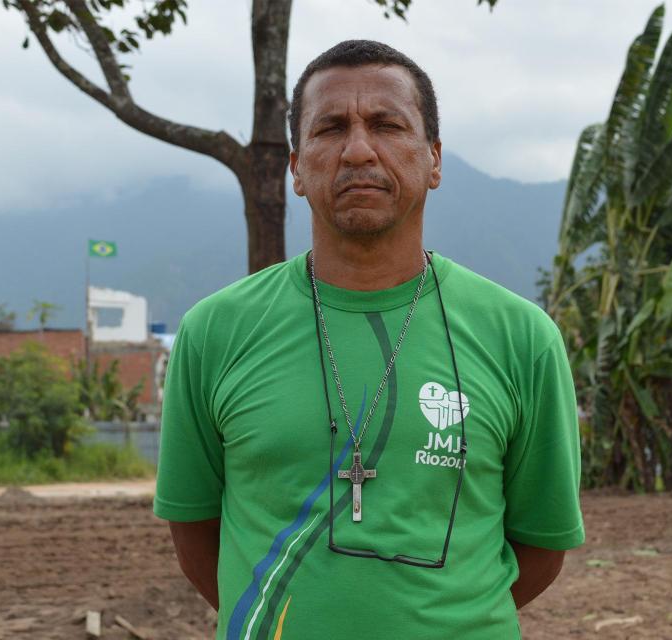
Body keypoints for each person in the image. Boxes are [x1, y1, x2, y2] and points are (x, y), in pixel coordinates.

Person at [154, 40, 584, 639]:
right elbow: (196, 532)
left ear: (433, 159)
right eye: (330, 128)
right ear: (297, 168)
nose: (358, 149)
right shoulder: (215, 333)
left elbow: (540, 548)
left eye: (387, 124)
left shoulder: (520, 337)